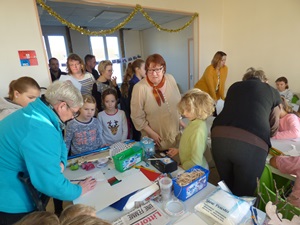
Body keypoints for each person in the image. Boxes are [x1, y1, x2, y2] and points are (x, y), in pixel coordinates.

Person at [0, 81, 97, 224]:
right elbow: (50, 183)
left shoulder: (41, 112)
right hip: (11, 202)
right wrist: (78, 190)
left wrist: (62, 163)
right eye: (74, 112)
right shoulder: (39, 128)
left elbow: (60, 142)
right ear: (62, 106)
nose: (73, 117)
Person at [211, 67, 281, 197]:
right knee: (244, 194)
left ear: (245, 80)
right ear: (264, 81)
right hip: (252, 143)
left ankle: (221, 212)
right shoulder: (271, 91)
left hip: (218, 136)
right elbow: (274, 124)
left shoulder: (234, 87)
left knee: (225, 186)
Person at [131, 53, 182, 150]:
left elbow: (177, 103)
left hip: (175, 136)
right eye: (150, 70)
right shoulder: (139, 88)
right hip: (155, 141)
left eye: (158, 69)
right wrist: (152, 134)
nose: (154, 74)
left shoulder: (170, 79)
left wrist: (179, 120)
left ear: (164, 69)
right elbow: (136, 117)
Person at [167, 89, 215, 170]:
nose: (184, 113)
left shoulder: (198, 131)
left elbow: (196, 162)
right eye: (184, 109)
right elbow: (190, 144)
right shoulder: (194, 121)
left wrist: (181, 168)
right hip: (189, 165)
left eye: (188, 110)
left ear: (199, 110)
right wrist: (179, 150)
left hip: (196, 170)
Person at [120, 59, 146, 140]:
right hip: (135, 115)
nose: (147, 71)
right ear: (137, 69)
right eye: (144, 68)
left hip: (135, 115)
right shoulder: (135, 84)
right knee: (138, 136)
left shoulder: (139, 82)